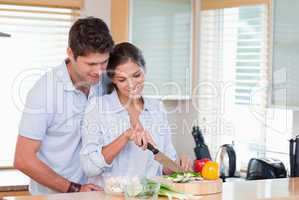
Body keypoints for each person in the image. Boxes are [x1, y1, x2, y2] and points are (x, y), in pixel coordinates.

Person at [14, 17, 114, 195]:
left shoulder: (104, 82)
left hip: (96, 192)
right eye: (91, 64)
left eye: (104, 62)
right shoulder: (44, 92)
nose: (99, 71)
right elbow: (23, 159)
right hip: (54, 195)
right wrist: (74, 189)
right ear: (70, 53)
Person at [80, 42, 192, 186]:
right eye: (122, 79)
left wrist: (179, 164)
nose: (132, 84)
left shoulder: (156, 107)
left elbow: (164, 168)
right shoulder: (97, 107)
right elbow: (90, 168)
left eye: (136, 75)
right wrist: (125, 136)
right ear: (113, 79)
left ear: (144, 70)